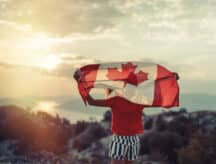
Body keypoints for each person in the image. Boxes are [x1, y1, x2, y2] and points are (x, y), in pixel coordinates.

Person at [73, 69, 179, 164]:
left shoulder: (116, 100)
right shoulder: (140, 100)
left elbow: (91, 101)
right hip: (133, 139)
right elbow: (159, 99)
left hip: (120, 139)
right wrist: (170, 80)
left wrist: (81, 82)